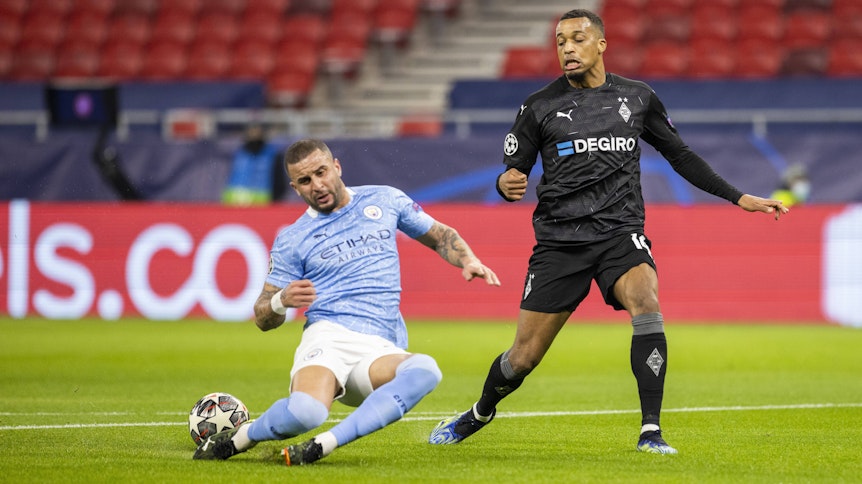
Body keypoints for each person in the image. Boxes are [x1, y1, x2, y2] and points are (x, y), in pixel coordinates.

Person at [427, 9, 789, 455]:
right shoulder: (538, 106)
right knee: (522, 358)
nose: (567, 49)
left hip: (620, 233)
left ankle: (650, 432)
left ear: (601, 44)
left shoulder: (637, 97)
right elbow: (510, 174)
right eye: (560, 41)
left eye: (577, 39)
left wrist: (738, 197)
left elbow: (680, 155)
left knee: (647, 300)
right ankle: (478, 412)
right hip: (560, 243)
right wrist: (507, 184)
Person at [194, 138, 501, 465]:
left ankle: (324, 444)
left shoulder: (383, 199)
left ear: (336, 166)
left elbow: (440, 235)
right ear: (295, 188)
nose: (317, 185)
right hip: (329, 337)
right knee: (307, 412)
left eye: (321, 172)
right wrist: (282, 300)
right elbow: (262, 315)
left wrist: (468, 260)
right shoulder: (293, 238)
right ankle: (240, 439)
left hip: (381, 347)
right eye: (305, 181)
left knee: (426, 370)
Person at [222, 123, 286, 205]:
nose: (254, 133)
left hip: (261, 202)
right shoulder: (237, 153)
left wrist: (275, 199)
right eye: (252, 130)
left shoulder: (273, 154)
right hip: (235, 201)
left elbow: (279, 180)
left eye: (257, 130)